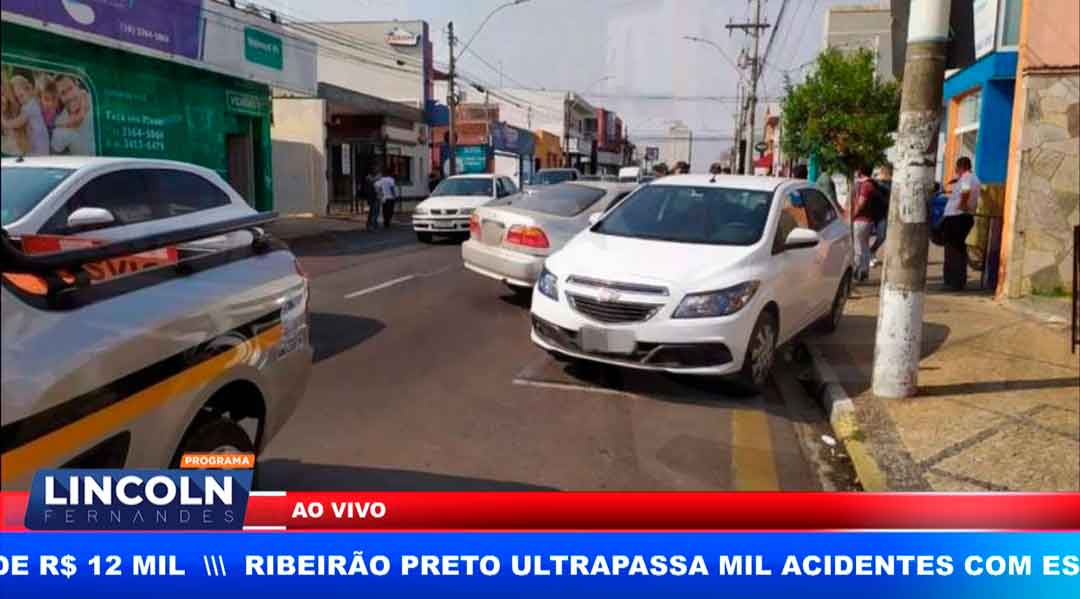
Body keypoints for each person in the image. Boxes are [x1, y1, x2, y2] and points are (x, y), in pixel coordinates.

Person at [941, 156, 980, 290]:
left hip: (957, 217)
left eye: (957, 168)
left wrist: (962, 205)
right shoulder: (974, 178)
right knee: (958, 249)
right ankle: (956, 281)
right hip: (962, 217)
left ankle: (953, 282)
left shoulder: (967, 178)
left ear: (961, 167)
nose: (956, 170)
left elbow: (965, 191)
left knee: (953, 249)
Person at [1, 75, 50, 155]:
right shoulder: (28, 103)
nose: (20, 101)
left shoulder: (30, 105)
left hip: (39, 143)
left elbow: (19, 121)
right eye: (17, 98)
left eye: (21, 96)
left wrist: (6, 123)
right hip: (35, 142)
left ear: (29, 90)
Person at [51, 75, 95, 155]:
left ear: (77, 85)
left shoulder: (95, 101)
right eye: (63, 93)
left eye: (70, 88)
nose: (69, 96)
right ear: (59, 97)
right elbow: (55, 154)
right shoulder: (60, 123)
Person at [849, 165, 878, 282]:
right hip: (867, 221)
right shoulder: (869, 184)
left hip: (861, 220)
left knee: (858, 248)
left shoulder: (866, 186)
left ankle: (858, 272)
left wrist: (853, 216)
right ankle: (864, 272)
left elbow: (861, 203)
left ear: (861, 171)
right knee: (864, 247)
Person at [869, 164, 893, 266]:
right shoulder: (877, 183)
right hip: (875, 213)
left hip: (884, 213)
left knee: (882, 236)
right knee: (878, 235)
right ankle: (869, 254)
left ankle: (871, 251)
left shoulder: (891, 183)